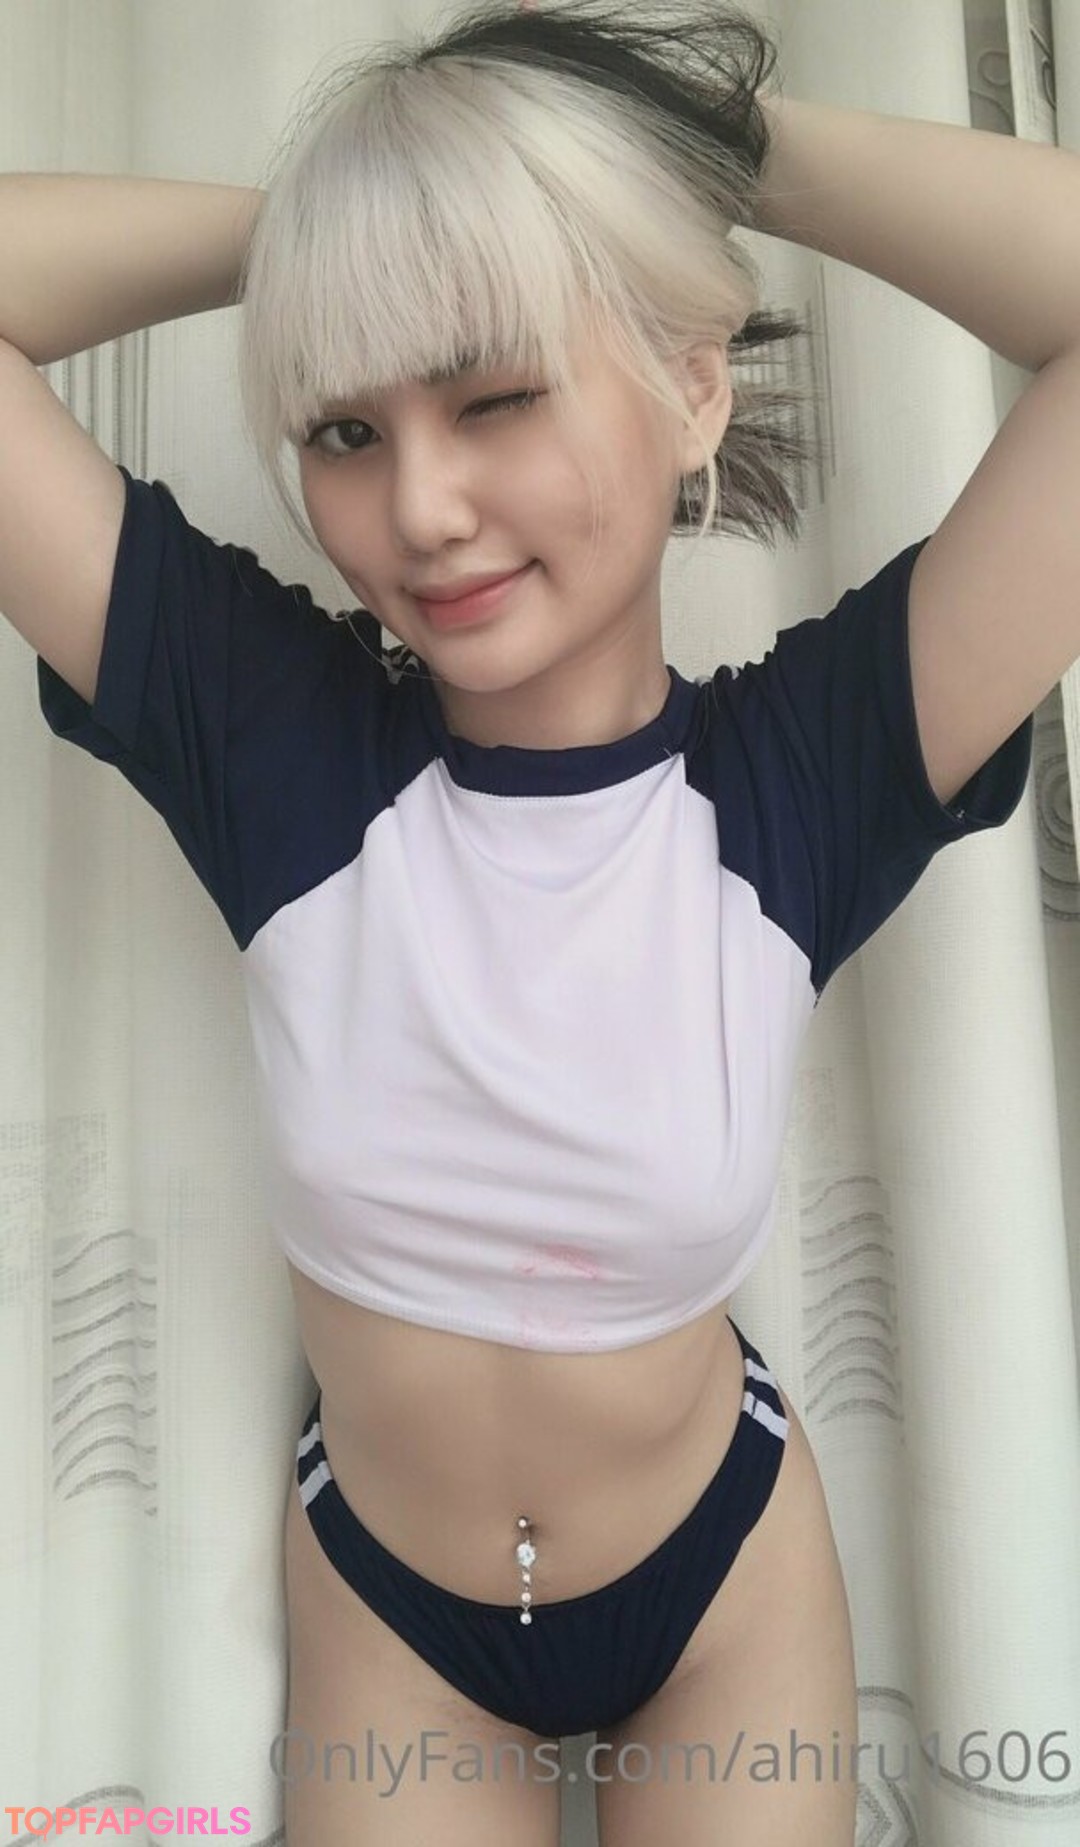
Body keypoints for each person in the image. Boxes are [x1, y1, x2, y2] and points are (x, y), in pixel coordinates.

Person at [0, 3, 1036, 1843]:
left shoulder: (806, 779)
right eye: (346, 426)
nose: (419, 508)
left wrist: (665, 141)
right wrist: (344, 236)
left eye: (492, 395)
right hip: (390, 1618)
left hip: (721, 1593)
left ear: (692, 387)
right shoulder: (277, 748)